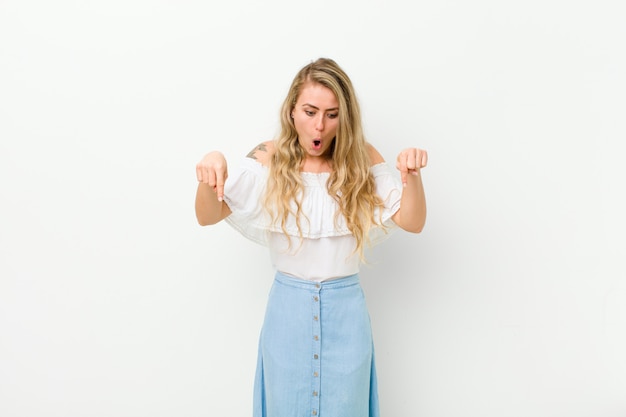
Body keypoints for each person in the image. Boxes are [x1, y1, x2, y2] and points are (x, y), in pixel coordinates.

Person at [195, 58, 427, 417]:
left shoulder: (363, 159)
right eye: (310, 111)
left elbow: (412, 221)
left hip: (346, 315)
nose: (320, 125)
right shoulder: (268, 156)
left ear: (344, 117)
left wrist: (411, 176)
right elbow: (208, 214)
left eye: (332, 114)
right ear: (291, 111)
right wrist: (210, 169)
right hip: (288, 315)